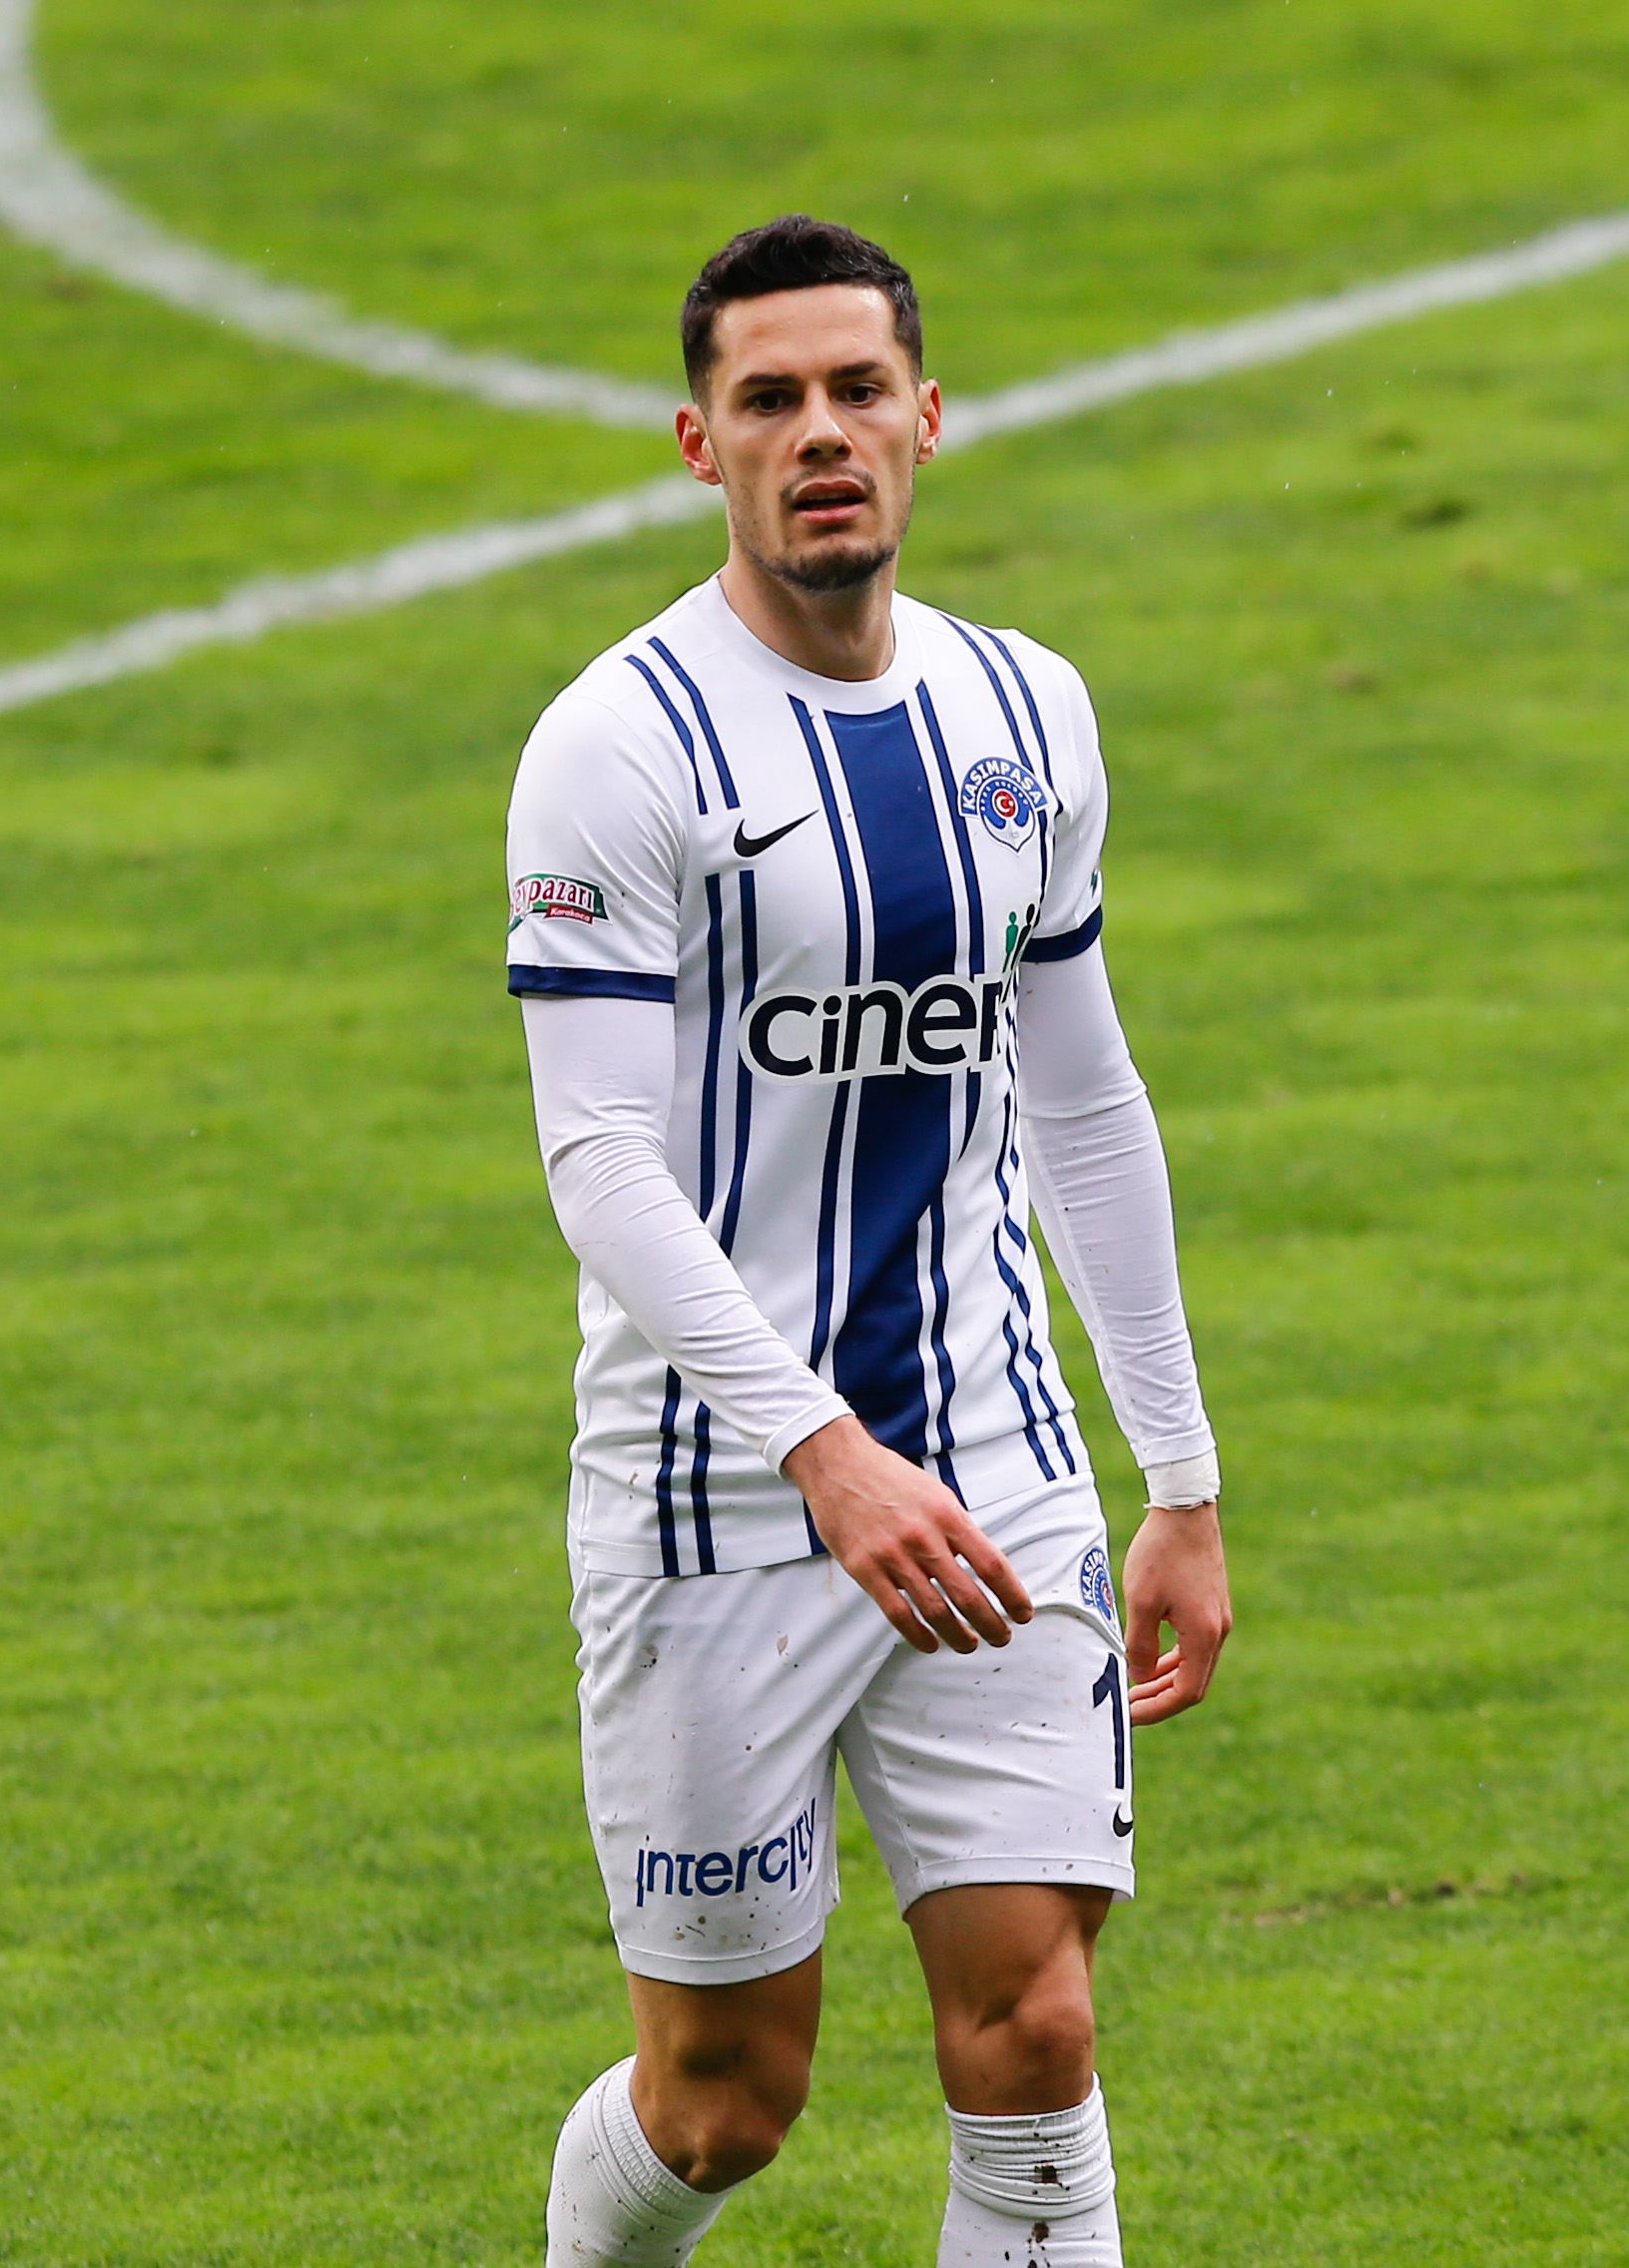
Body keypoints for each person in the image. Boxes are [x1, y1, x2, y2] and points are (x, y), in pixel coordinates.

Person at [506, 214, 1229, 2268]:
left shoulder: (1026, 712)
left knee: (1035, 2027)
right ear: (699, 444)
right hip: (720, 1494)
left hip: (994, 1467)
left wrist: (1177, 1473)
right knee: (723, 2100)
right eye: (768, 400)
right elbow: (598, 1157)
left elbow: (1081, 1098)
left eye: (853, 390)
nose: (817, 432)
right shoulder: (620, 744)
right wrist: (823, 1450)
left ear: (927, 417)